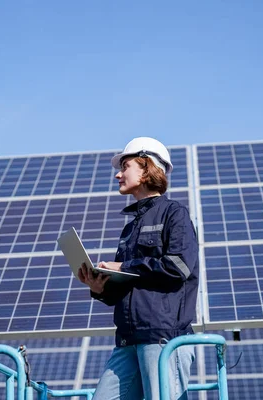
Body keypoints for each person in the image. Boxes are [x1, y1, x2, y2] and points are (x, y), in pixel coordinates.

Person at [78, 137, 199, 400]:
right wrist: (101, 288)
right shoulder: (130, 227)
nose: (118, 174)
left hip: (162, 338)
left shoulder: (174, 214)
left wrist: (123, 265)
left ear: (147, 169)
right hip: (127, 341)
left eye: (126, 165)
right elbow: (131, 283)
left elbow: (178, 266)